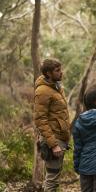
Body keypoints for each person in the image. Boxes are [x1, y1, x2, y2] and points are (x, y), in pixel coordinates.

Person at [34, 59, 70, 192]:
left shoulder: (56, 87)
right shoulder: (43, 91)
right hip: (53, 140)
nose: (61, 73)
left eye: (60, 69)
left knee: (52, 178)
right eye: (57, 70)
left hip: (59, 137)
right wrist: (54, 144)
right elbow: (40, 120)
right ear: (48, 73)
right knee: (52, 180)